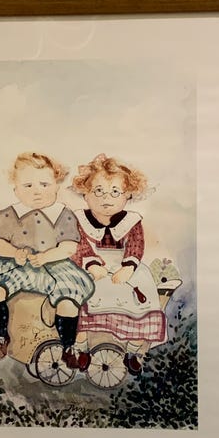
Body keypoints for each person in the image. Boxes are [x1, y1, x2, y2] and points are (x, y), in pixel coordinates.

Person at [0, 152, 94, 366]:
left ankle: (68, 346)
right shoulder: (7, 215)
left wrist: (47, 256)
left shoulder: (64, 214)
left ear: (56, 186)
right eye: (28, 186)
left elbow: (69, 246)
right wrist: (14, 253)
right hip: (14, 266)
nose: (37, 191)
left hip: (55, 267)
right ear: (16, 189)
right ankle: (2, 337)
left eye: (44, 184)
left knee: (69, 302)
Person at [71, 154, 167, 375]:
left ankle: (133, 350)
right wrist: (91, 264)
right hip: (91, 266)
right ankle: (81, 348)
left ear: (128, 195)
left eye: (115, 192)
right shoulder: (78, 219)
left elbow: (136, 246)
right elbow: (78, 245)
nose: (107, 198)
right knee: (79, 296)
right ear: (86, 194)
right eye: (98, 191)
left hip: (124, 265)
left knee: (140, 294)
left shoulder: (132, 221)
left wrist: (128, 267)